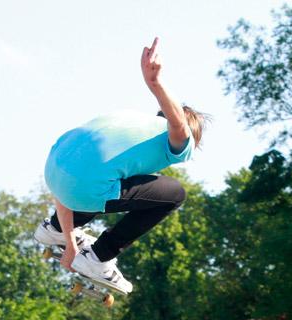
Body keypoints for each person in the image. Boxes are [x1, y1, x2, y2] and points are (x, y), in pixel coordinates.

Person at [37, 37, 206, 293]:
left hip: (55, 173)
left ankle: (54, 229)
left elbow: (69, 186)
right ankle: (99, 257)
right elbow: (179, 125)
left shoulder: (130, 123)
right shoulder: (178, 139)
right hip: (81, 187)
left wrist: (70, 243)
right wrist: (155, 83)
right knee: (174, 193)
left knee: (109, 183)